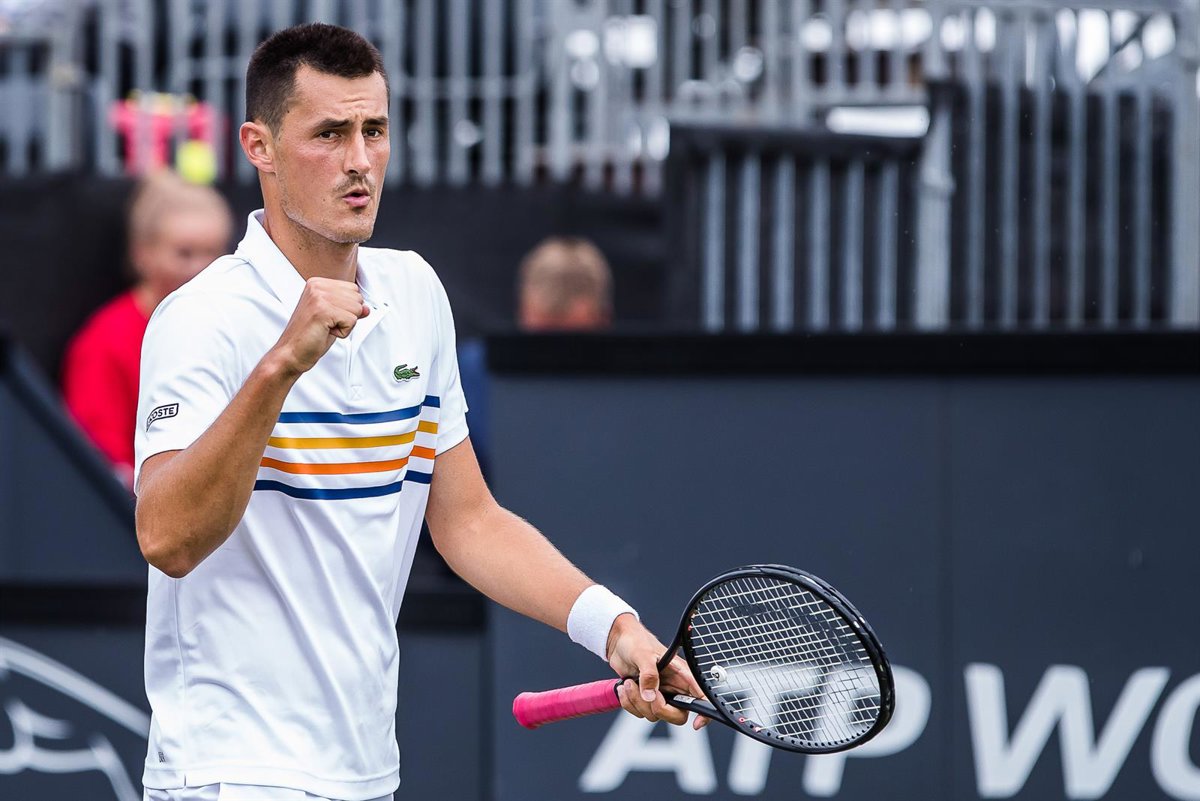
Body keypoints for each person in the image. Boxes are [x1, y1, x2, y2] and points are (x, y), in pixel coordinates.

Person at [133, 23, 704, 801]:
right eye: (329, 134)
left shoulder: (415, 291)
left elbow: (468, 521)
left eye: (374, 130)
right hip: (230, 772)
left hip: (367, 770)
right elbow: (167, 539)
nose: (359, 160)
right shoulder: (201, 318)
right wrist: (281, 366)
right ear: (258, 147)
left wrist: (615, 627)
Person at [62, 170, 232, 487]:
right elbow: (99, 467)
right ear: (142, 254)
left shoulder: (231, 325)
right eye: (184, 253)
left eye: (213, 252)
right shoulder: (105, 342)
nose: (202, 268)